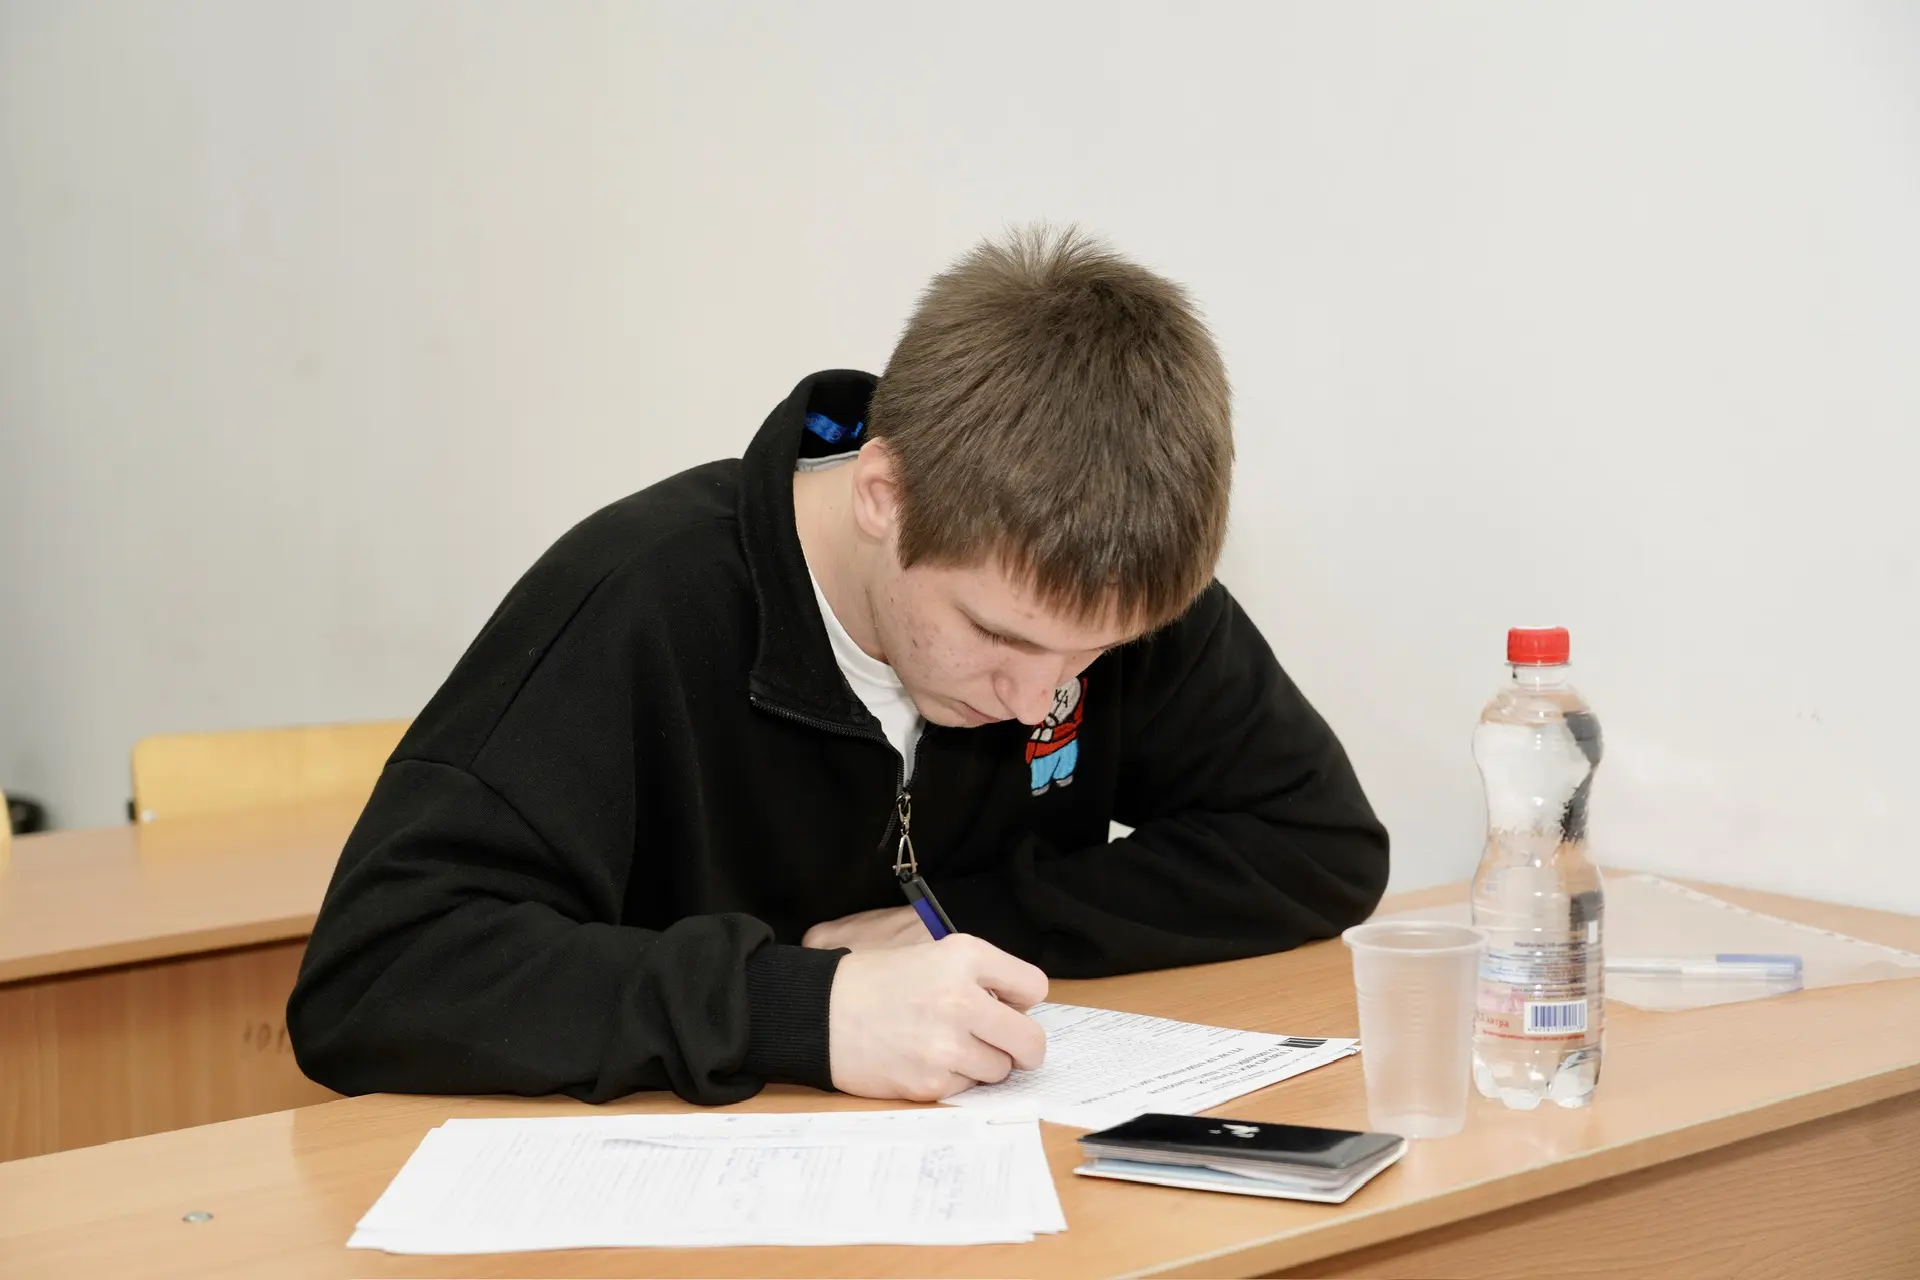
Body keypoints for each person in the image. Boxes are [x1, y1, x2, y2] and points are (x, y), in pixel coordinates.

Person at [286, 228, 1389, 1108]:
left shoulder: (1089, 588)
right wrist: (803, 1011)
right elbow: (376, 973)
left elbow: (1319, 841)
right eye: (998, 638)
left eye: (1093, 656)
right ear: (883, 494)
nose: (1040, 699)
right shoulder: (638, 603)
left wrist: (962, 922)